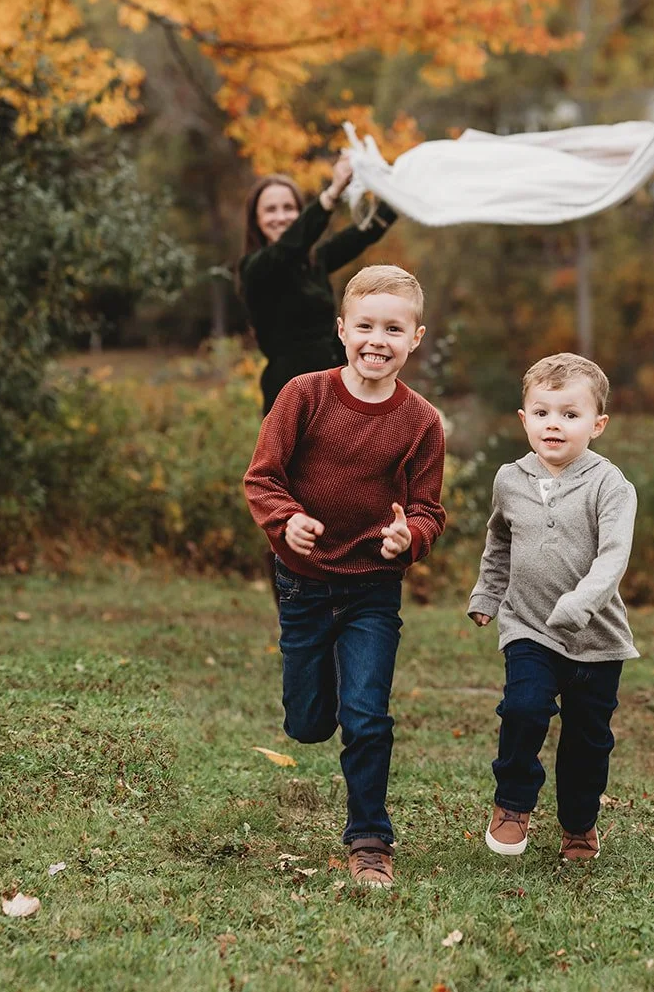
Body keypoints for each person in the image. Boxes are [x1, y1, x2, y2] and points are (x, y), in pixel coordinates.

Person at [243, 265, 447, 887]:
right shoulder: (304, 395)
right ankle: (322, 690)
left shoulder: (421, 423)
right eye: (365, 326)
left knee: (367, 715)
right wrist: (287, 519)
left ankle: (369, 840)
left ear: (414, 338)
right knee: (308, 724)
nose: (377, 339)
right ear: (342, 330)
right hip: (303, 583)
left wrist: (407, 537)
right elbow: (262, 478)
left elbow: (428, 510)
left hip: (370, 590)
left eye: (393, 328)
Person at [468, 353, 638, 861]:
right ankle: (513, 803)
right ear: (524, 419)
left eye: (570, 414)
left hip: (597, 637)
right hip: (529, 625)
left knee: (589, 738)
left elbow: (615, 555)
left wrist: (580, 603)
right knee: (523, 708)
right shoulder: (509, 479)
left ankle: (579, 822)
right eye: (542, 413)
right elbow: (498, 542)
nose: (554, 424)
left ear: (597, 424)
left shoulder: (611, 485)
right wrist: (486, 595)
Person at [238, 157, 398, 416]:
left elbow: (364, 233)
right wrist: (332, 193)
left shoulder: (315, 262)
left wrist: (397, 191)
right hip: (291, 396)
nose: (281, 217)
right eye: (270, 210)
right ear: (256, 220)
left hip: (335, 388)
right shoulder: (255, 269)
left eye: (289, 208)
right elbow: (288, 248)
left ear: (300, 214)